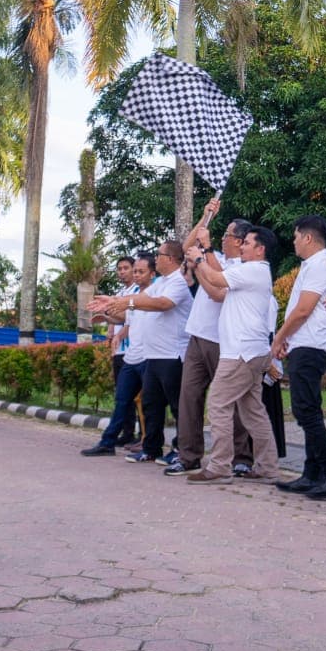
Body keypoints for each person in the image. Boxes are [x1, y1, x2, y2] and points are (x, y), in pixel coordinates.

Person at [185, 225, 281, 484]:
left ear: (260, 249)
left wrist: (200, 255)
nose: (241, 246)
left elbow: (216, 278)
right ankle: (268, 467)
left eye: (247, 243)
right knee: (253, 412)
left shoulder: (253, 270)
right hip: (251, 351)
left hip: (240, 351)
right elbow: (217, 286)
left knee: (218, 404)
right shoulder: (249, 271)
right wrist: (200, 263)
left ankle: (219, 465)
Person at [171, 204, 256, 477]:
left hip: (225, 341)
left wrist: (204, 259)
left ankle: (241, 458)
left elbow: (221, 285)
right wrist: (206, 216)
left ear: (241, 241)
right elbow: (186, 248)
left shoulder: (242, 266)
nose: (223, 239)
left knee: (230, 402)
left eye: (228, 235)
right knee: (189, 398)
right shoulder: (214, 256)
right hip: (197, 336)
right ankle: (189, 456)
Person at [274, 215, 326, 500]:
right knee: (308, 409)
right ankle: (312, 472)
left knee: (306, 412)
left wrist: (279, 338)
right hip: (302, 343)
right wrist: (287, 340)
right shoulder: (310, 265)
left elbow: (303, 310)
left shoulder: (321, 264)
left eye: (295, 236)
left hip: (311, 344)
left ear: (308, 238)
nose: (293, 242)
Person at [130, 242, 193, 464]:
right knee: (151, 404)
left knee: (178, 406)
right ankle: (151, 448)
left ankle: (180, 450)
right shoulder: (161, 282)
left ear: (172, 258)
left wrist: (126, 303)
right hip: (154, 355)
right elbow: (145, 298)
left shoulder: (178, 282)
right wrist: (117, 302)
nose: (156, 257)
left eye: (159, 254)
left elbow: (163, 304)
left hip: (172, 355)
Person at [83, 261, 152, 456]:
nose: (136, 274)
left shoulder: (153, 293)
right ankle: (108, 442)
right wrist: (106, 317)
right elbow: (125, 319)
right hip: (131, 356)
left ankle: (150, 444)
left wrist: (120, 334)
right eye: (135, 271)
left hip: (149, 355)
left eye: (140, 271)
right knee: (122, 399)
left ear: (151, 273)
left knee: (149, 402)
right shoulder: (131, 297)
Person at [106, 257, 142, 449]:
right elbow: (114, 315)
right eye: (119, 268)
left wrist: (118, 330)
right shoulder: (120, 293)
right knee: (122, 394)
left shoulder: (138, 292)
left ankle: (141, 435)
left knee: (136, 396)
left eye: (127, 268)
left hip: (132, 348)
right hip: (119, 350)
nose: (122, 272)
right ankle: (126, 432)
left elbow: (130, 319)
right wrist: (110, 326)